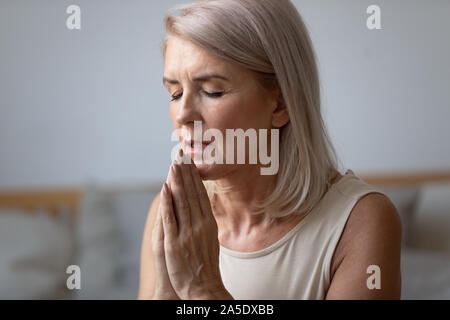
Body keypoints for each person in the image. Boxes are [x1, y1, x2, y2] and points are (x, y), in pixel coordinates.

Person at [138, 0, 402, 300]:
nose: (183, 114)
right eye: (175, 93)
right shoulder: (168, 213)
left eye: (212, 91)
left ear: (280, 104)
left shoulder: (360, 222)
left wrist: (202, 288)